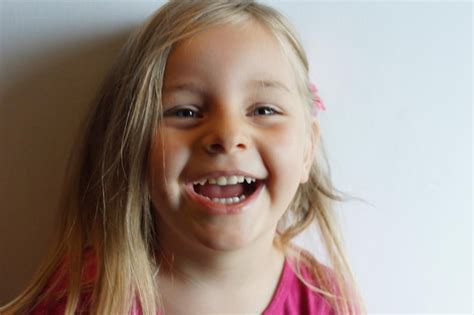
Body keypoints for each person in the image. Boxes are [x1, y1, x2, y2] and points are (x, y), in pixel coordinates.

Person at [1, 1, 366, 314]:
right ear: (134, 145)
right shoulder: (78, 299)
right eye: (186, 112)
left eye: (264, 110)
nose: (227, 136)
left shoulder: (326, 301)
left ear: (307, 150)